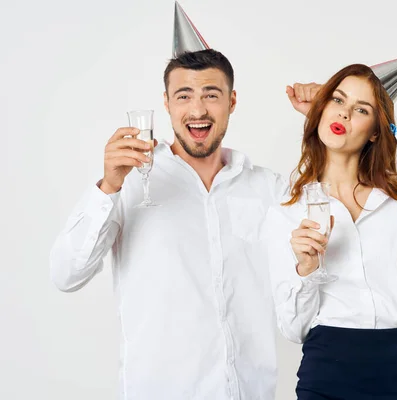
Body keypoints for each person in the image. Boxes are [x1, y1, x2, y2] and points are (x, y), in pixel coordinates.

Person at [49, 4, 287, 399]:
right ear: (166, 103)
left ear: (232, 101)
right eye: (184, 95)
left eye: (211, 94)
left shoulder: (266, 188)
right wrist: (107, 186)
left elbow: (328, 244)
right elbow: (65, 274)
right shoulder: (128, 180)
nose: (197, 109)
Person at [262, 63, 397, 399]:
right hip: (326, 372)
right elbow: (293, 329)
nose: (345, 114)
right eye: (337, 100)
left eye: (360, 109)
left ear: (376, 131)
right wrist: (306, 269)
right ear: (320, 112)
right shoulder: (288, 213)